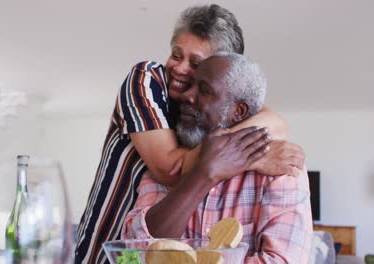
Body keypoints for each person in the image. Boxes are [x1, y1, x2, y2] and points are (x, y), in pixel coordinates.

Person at [75, 5, 305, 264]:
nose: (180, 68)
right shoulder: (148, 81)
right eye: (176, 54)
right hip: (102, 251)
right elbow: (169, 168)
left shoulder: (204, 123)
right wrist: (245, 156)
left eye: (196, 64)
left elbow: (275, 122)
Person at [122, 53, 313, 263]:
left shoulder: (281, 170)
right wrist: (203, 174)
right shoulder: (169, 164)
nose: (187, 95)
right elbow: (133, 254)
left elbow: (283, 260)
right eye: (191, 85)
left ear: (239, 112)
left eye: (204, 90)